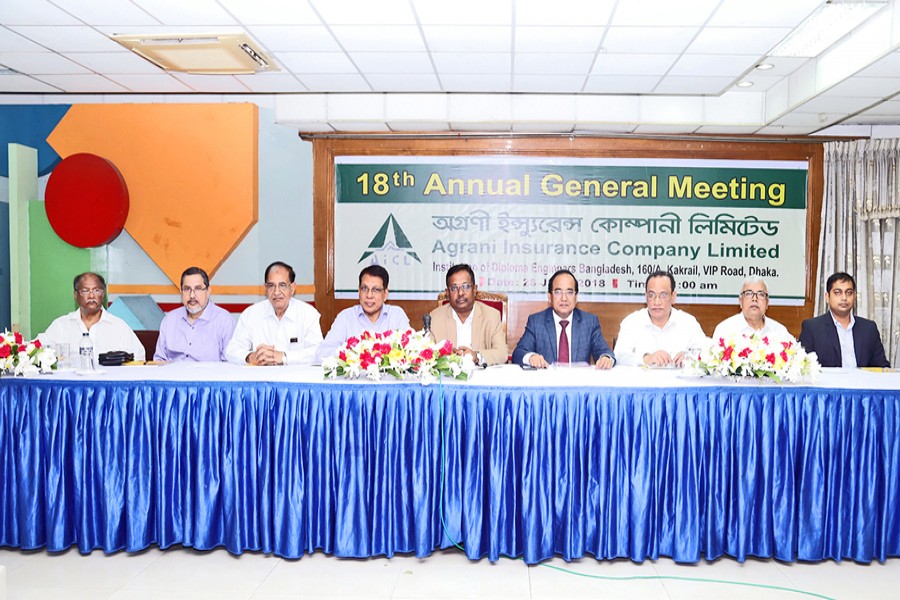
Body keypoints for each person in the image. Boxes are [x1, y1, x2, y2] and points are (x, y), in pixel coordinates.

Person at [512, 269, 614, 369]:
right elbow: (518, 353)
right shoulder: (536, 322)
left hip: (578, 379)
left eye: (569, 292)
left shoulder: (589, 322)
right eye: (558, 292)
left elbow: (604, 351)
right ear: (549, 297)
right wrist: (531, 357)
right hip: (547, 379)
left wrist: (605, 358)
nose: (564, 298)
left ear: (576, 297)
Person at [225, 261, 323, 365]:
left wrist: (284, 357)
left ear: (292, 288)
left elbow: (318, 352)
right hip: (261, 374)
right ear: (266, 289)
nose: (276, 292)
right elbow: (231, 351)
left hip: (295, 374)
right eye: (271, 286)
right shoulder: (251, 314)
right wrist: (250, 357)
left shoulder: (308, 314)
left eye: (282, 285)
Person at [38, 271, 145, 361]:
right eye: (85, 291)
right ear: (75, 295)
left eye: (97, 290)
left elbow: (138, 356)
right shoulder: (61, 325)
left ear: (103, 294)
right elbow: (36, 348)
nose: (91, 295)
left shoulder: (118, 326)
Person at [315, 265, 409, 362]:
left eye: (376, 290)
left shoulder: (397, 315)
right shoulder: (346, 317)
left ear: (385, 294)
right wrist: (356, 356)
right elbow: (322, 353)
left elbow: (411, 351)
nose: (369, 295)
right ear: (359, 291)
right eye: (364, 288)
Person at [615, 270, 708, 367]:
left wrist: (689, 357)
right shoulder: (631, 322)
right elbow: (619, 356)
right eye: (651, 295)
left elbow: (706, 353)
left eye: (663, 295)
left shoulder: (688, 323)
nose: (657, 302)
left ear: (673, 297)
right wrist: (645, 359)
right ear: (646, 297)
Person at [799, 271, 890, 368]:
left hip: (862, 378)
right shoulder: (812, 328)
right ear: (827, 297)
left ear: (854, 296)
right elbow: (804, 367)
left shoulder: (869, 328)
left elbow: (882, 367)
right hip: (828, 378)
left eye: (849, 293)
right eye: (838, 293)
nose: (844, 298)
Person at [429, 263, 508, 367]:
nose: (460, 293)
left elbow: (502, 354)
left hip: (480, 375)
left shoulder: (491, 316)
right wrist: (447, 358)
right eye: (454, 288)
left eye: (465, 286)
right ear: (447, 293)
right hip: (447, 376)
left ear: (474, 289)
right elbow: (426, 354)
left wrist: (476, 356)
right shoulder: (435, 318)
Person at [154, 266, 235, 362]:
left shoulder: (224, 321)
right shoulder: (169, 320)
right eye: (187, 289)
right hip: (174, 371)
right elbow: (159, 360)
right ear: (181, 291)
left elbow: (230, 364)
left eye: (198, 289)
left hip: (209, 372)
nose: (192, 295)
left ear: (208, 291)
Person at [712, 277, 791, 341]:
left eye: (761, 294)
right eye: (749, 294)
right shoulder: (725, 330)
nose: (754, 299)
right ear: (740, 301)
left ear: (767, 303)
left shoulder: (780, 332)